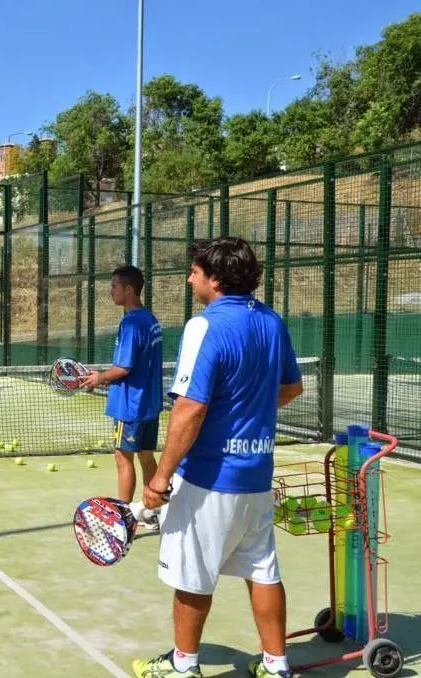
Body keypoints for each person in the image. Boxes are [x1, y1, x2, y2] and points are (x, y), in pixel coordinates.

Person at [132, 238, 304, 678]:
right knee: (262, 568)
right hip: (257, 474)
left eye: (194, 272)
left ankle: (184, 666)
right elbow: (290, 388)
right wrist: (248, 416)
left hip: (209, 477)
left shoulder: (203, 327)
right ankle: (276, 664)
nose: (189, 279)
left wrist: (158, 479)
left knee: (191, 575)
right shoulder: (271, 320)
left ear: (215, 278)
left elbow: (190, 408)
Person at [79, 265, 163, 530]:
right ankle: (153, 511)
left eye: (114, 286)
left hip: (130, 406)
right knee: (146, 456)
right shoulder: (151, 320)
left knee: (122, 458)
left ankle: (123, 521)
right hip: (149, 404)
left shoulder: (131, 322)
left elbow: (124, 367)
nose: (110, 290)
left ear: (129, 289)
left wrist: (98, 378)